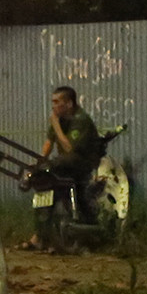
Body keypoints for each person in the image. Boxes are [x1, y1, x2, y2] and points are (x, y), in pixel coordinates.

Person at [26, 85, 103, 250]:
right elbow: (49, 142)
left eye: (57, 102)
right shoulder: (59, 118)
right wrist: (39, 162)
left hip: (81, 163)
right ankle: (39, 237)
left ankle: (53, 238)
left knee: (53, 170)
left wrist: (56, 126)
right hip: (64, 162)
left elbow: (70, 149)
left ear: (68, 104)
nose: (53, 106)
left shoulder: (80, 120)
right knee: (42, 183)